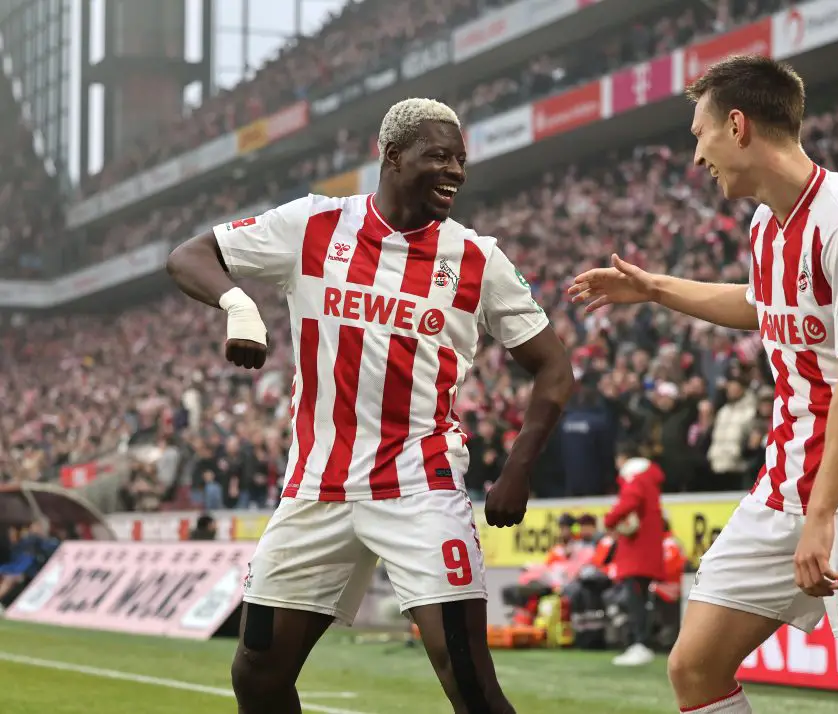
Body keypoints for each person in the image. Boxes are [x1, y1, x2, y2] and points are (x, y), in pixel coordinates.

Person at [166, 97, 575, 714]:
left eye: (461, 160)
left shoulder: (476, 258)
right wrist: (239, 306)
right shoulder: (313, 225)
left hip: (420, 483)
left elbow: (554, 367)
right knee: (256, 673)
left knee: (467, 679)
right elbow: (189, 255)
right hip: (316, 485)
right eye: (438, 156)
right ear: (390, 156)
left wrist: (519, 464)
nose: (455, 171)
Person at [570, 56, 838, 714]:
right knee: (695, 666)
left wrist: (822, 517)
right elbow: (761, 303)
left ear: (737, 126)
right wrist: (654, 288)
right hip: (784, 483)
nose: (695, 156)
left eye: (699, 133)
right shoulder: (768, 225)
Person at [604, 441, 667, 666]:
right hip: (646, 548)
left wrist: (609, 520)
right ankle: (640, 643)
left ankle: (640, 644)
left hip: (637, 549)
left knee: (636, 599)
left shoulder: (635, 476)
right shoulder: (648, 476)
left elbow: (630, 500)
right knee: (640, 598)